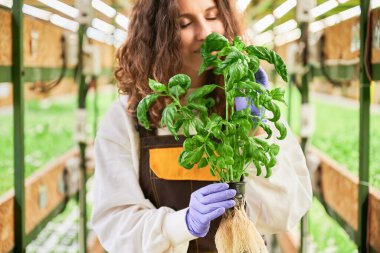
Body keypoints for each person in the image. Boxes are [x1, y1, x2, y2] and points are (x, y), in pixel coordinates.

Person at [91, 0, 312, 252]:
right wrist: (180, 225)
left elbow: (285, 211)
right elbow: (115, 221)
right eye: (184, 23)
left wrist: (256, 130)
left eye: (212, 16)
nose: (205, 33)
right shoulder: (126, 116)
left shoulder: (248, 100)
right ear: (155, 37)